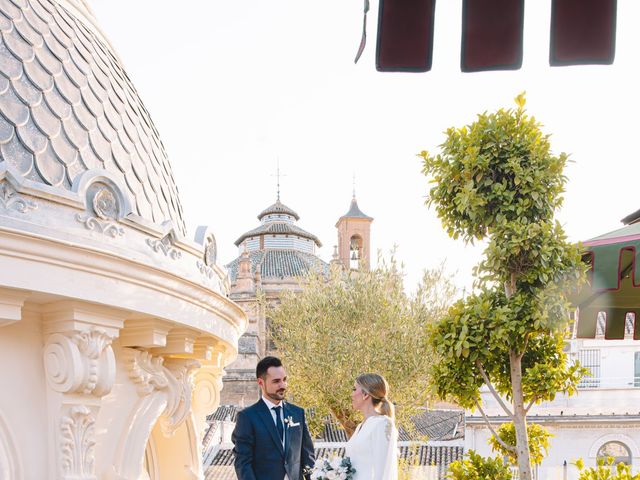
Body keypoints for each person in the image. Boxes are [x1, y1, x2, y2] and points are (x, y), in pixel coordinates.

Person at [232, 356, 315, 480]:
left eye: (284, 380)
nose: (283, 385)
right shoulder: (247, 417)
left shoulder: (298, 413)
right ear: (260, 382)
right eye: (276, 381)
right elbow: (243, 463)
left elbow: (307, 455)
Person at [345, 373, 398, 480]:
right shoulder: (360, 426)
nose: (351, 395)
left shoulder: (382, 424)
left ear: (366, 394)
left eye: (354, 389)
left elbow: (384, 469)